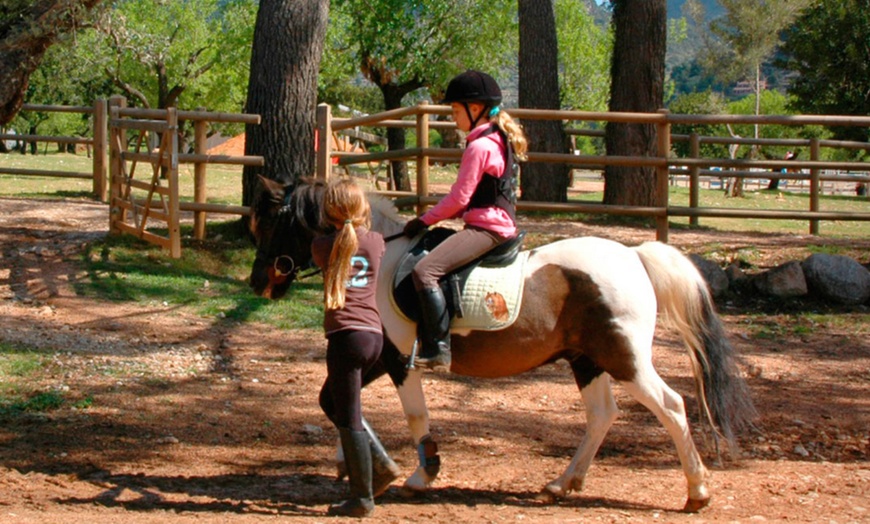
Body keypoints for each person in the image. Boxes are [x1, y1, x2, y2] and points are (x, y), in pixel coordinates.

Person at [403, 70, 528, 370]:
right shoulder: (500, 139)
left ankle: (438, 347)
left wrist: (423, 221)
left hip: (486, 230)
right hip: (497, 223)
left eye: (456, 111)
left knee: (425, 271)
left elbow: (459, 199)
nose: (453, 118)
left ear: (476, 110)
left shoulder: (479, 146)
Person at [311, 178, 390, 518]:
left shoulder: (321, 246)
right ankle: (378, 466)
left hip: (345, 338)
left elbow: (328, 255)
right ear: (363, 209)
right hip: (374, 336)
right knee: (332, 401)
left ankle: (363, 497)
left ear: (328, 212)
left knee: (349, 416)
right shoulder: (376, 242)